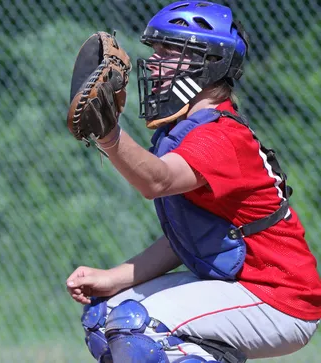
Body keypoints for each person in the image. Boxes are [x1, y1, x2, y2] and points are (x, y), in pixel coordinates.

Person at [65, 1, 321, 362]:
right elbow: (188, 237)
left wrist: (109, 135)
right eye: (155, 51)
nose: (153, 62)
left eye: (168, 53)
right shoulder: (185, 132)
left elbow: (156, 180)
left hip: (277, 298)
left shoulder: (220, 136)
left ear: (209, 62)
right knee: (102, 317)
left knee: (136, 325)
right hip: (240, 288)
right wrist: (115, 277)